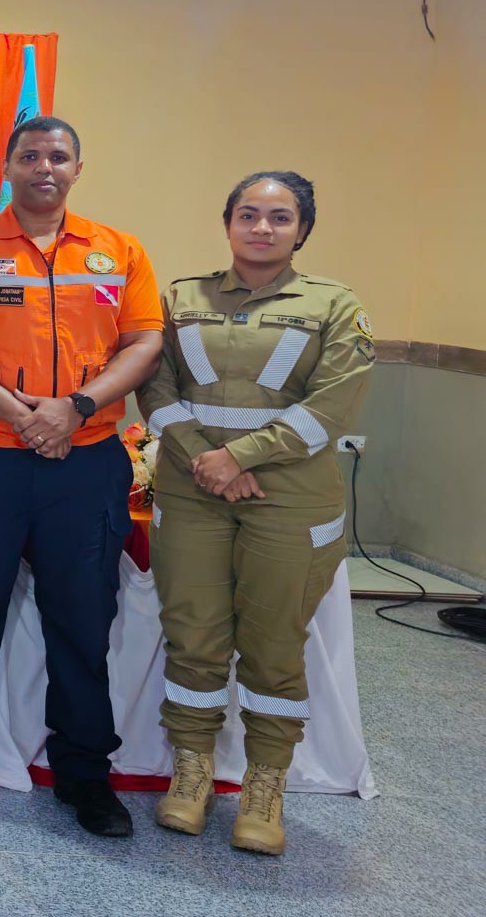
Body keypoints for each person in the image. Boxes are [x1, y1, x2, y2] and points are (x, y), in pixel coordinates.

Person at [0, 116, 164, 838]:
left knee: (82, 619)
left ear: (78, 167)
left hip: (87, 460)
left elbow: (145, 342)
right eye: (29, 155)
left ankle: (84, 772)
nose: (44, 166)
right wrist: (26, 417)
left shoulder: (119, 251)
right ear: (8, 166)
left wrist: (75, 409)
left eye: (58, 156)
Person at [139, 171, 371, 855]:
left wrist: (240, 457)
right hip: (193, 490)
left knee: (274, 644)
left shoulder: (334, 304)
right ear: (228, 223)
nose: (261, 227)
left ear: (302, 229)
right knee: (194, 635)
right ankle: (192, 772)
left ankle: (265, 786)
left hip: (289, 498)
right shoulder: (182, 298)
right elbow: (155, 387)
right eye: (248, 214)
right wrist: (204, 459)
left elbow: (333, 405)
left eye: (279, 217)